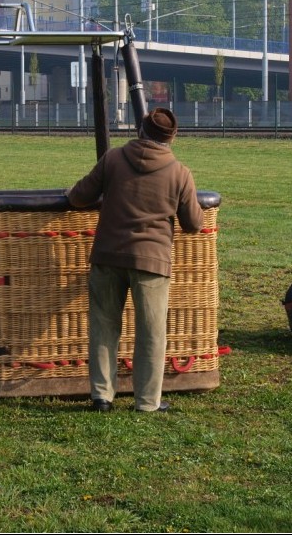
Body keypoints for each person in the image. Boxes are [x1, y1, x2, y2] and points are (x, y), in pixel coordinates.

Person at [66, 107, 204, 413]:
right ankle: (147, 401)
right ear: (172, 138)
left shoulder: (113, 159)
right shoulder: (180, 173)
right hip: (152, 262)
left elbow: (79, 196)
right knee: (151, 332)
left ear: (141, 130)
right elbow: (194, 224)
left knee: (104, 326)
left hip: (108, 254)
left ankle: (102, 396)